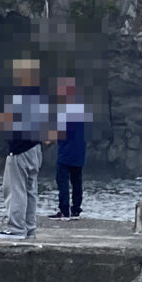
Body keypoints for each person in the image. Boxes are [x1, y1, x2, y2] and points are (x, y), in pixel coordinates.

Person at [0, 58, 46, 240]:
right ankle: (29, 228)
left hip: (20, 150)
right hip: (35, 149)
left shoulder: (22, 95)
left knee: (15, 189)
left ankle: (16, 229)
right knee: (29, 190)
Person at [51, 77, 89, 219]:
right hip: (79, 152)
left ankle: (64, 210)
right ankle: (76, 210)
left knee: (63, 182)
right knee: (77, 182)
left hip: (65, 153)